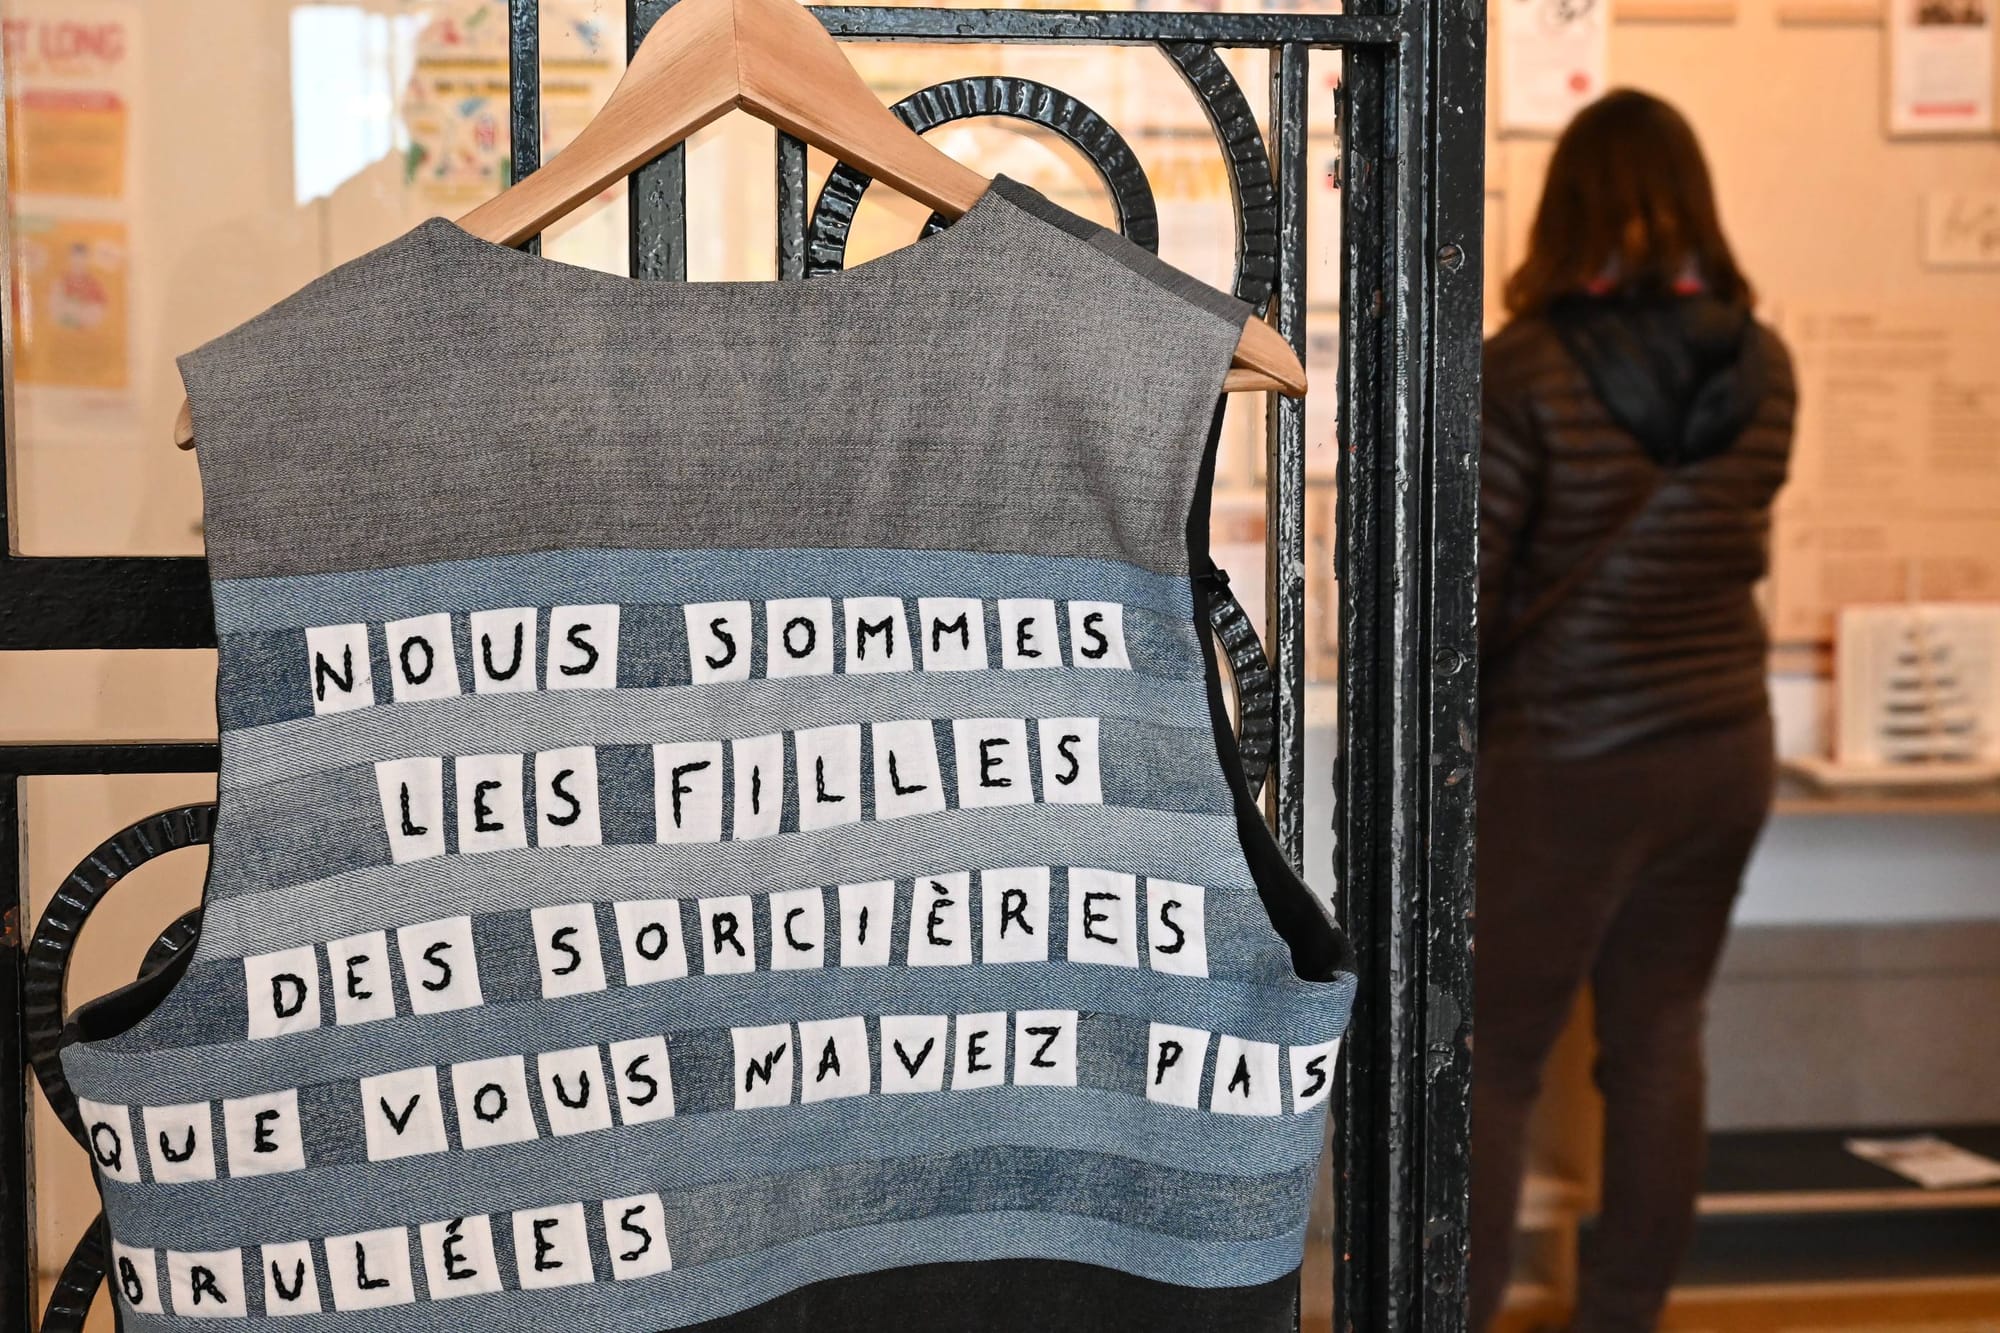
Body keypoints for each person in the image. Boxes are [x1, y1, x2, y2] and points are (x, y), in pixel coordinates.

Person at [1471, 89, 1796, 1331]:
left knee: (1491, 1058)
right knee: (1658, 1039)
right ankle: (1622, 1318)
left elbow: (1469, 598)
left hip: (1564, 761)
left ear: (1564, 206)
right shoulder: (1762, 364)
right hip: (1721, 746)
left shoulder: (1522, 369)